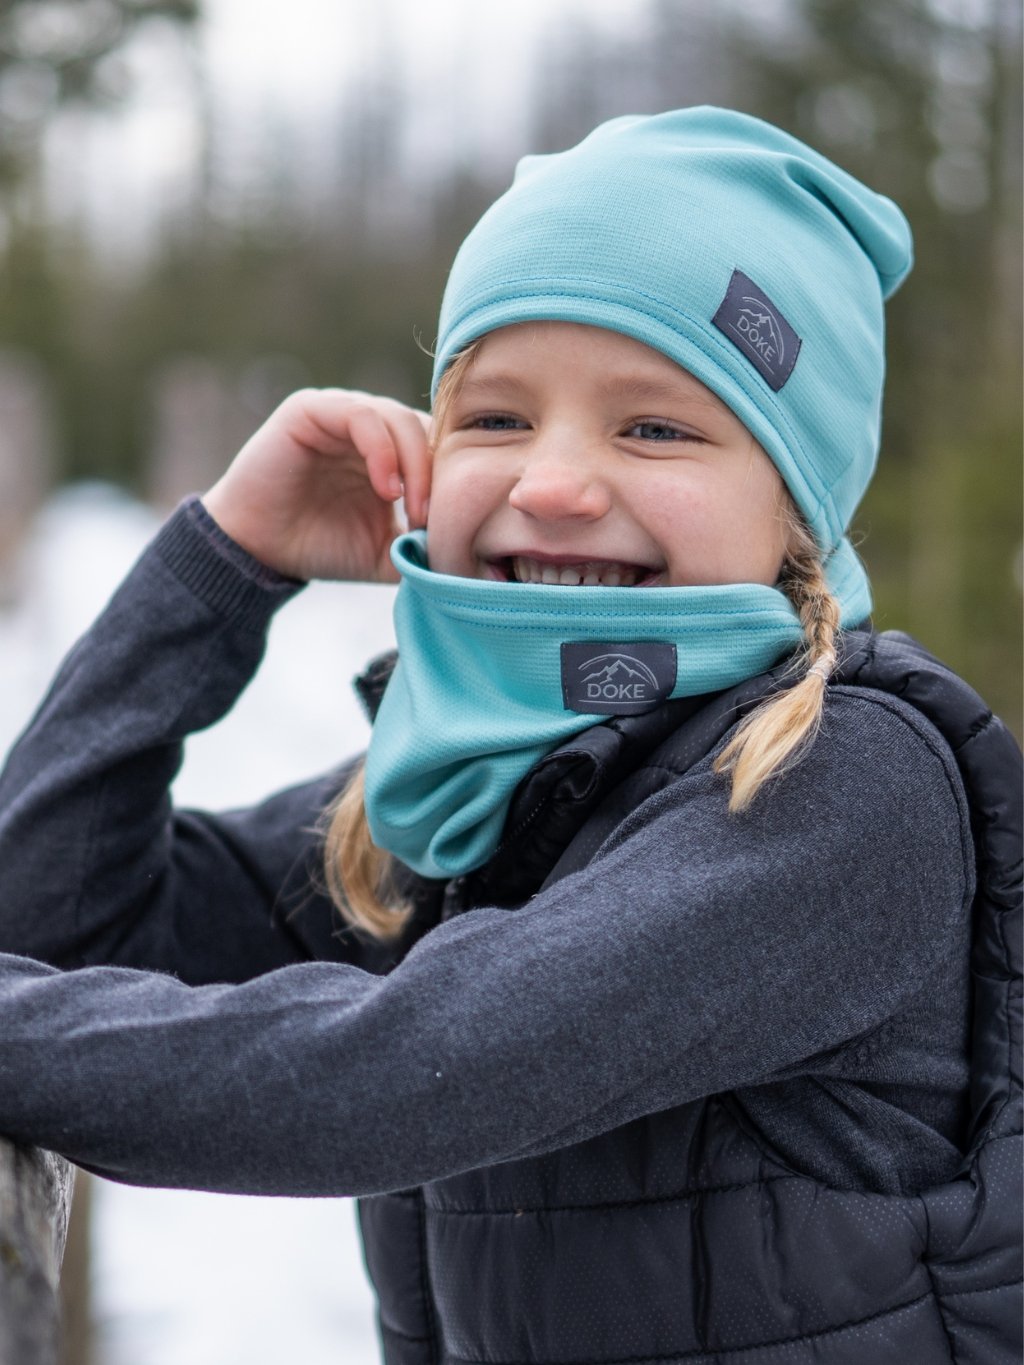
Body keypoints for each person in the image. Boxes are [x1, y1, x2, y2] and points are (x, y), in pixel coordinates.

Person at [0, 107, 1020, 1363]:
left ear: (797, 506)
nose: (551, 483)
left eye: (654, 427)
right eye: (494, 419)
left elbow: (397, 1078)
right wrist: (226, 561)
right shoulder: (471, 794)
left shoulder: (840, 786)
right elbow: (47, 918)